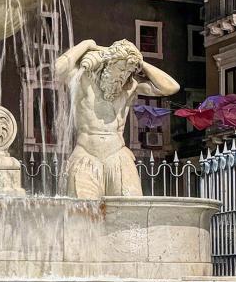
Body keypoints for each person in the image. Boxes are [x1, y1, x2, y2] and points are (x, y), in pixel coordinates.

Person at [54, 38, 179, 198]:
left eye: (128, 72)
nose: (124, 75)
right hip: (86, 155)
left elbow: (171, 87)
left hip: (118, 156)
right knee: (82, 214)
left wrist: (141, 63)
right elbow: (58, 69)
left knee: (130, 211)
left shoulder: (130, 87)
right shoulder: (82, 79)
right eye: (121, 69)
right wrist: (87, 44)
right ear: (109, 62)